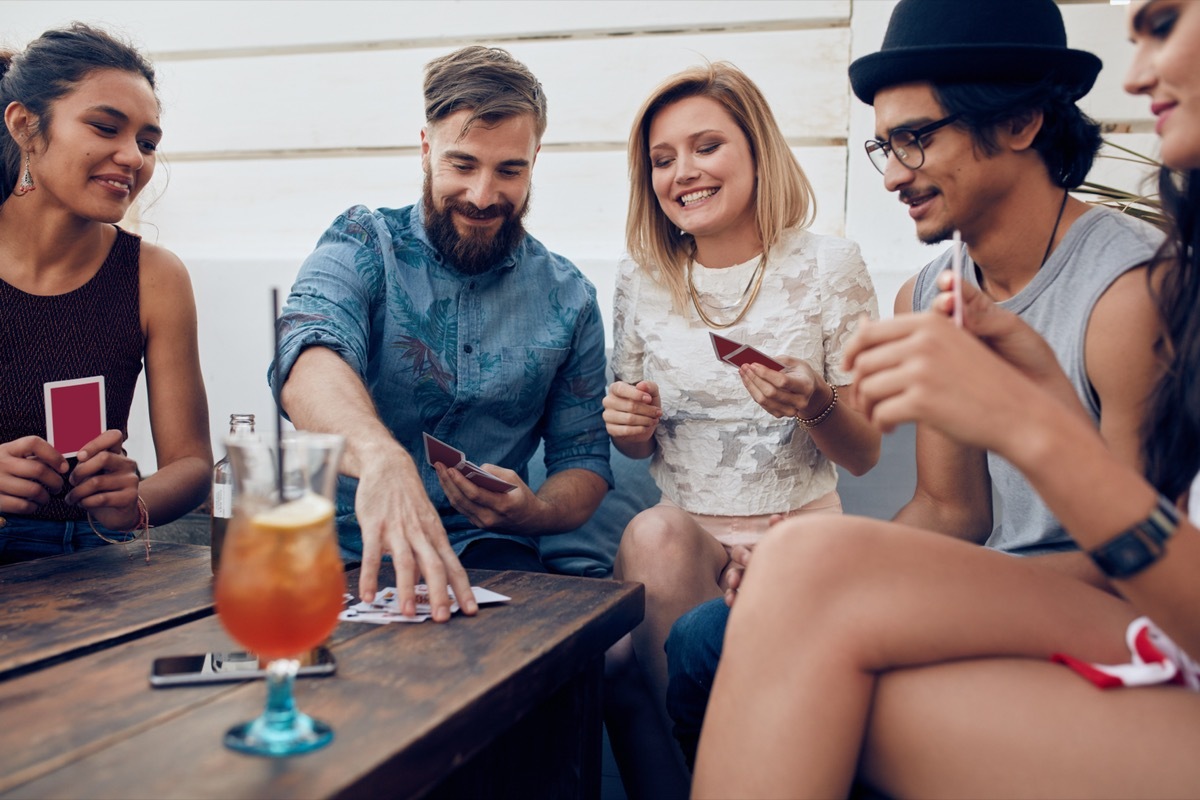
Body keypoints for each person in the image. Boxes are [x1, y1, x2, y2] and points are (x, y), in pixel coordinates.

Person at [693, 0, 1200, 795]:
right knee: (715, 631)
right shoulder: (932, 292)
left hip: (1109, 599)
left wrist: (861, 572)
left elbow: (1136, 562)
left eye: (916, 138)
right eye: (884, 146)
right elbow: (952, 509)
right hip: (1000, 582)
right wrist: (854, 566)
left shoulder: (1127, 295)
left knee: (790, 603)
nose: (894, 173)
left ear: (1024, 121)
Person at [602, 62, 880, 797]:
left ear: (756, 150)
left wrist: (815, 402)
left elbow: (866, 453)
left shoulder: (830, 265)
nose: (682, 173)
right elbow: (638, 441)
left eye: (706, 147)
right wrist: (629, 423)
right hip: (683, 551)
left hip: (799, 538)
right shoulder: (641, 278)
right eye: (662, 160)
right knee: (652, 536)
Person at [270, 46, 612, 621]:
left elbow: (583, 460)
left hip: (490, 552)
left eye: (510, 170)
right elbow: (307, 357)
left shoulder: (570, 296)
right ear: (426, 150)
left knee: (527, 673)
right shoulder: (362, 241)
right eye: (462, 164)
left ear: (535, 160)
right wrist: (382, 459)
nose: (483, 196)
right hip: (333, 542)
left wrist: (535, 512)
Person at [0, 24, 212, 564]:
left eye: (146, 142)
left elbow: (190, 466)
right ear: (25, 126)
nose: (134, 158)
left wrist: (132, 500)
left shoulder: (154, 276)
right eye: (104, 127)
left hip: (91, 564)